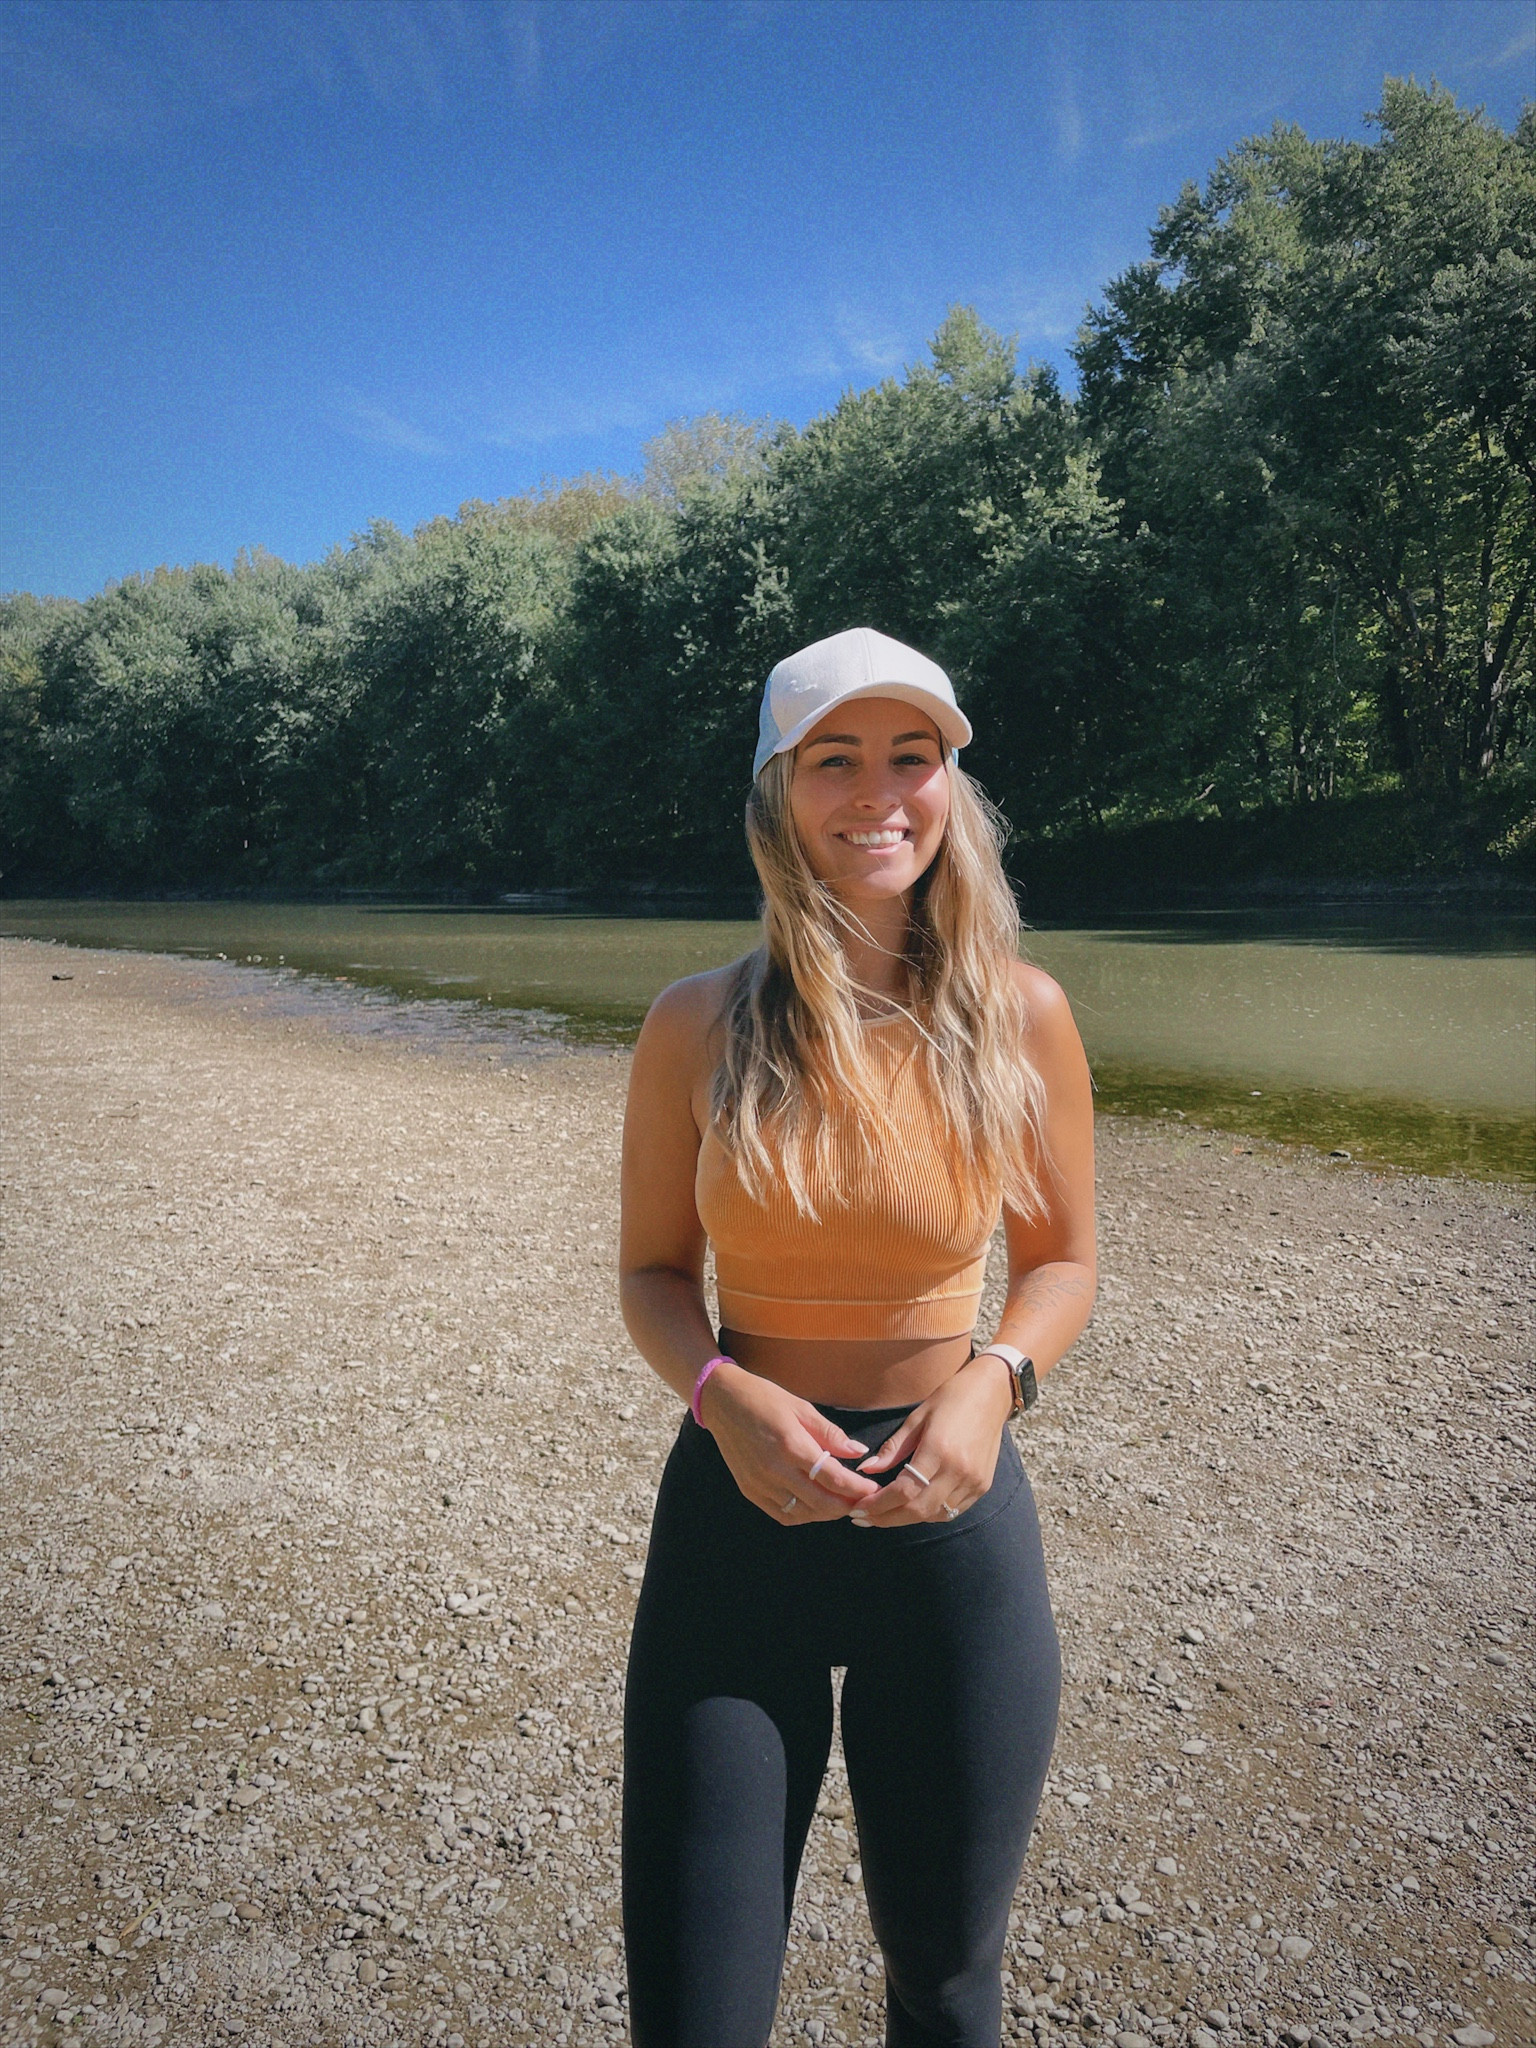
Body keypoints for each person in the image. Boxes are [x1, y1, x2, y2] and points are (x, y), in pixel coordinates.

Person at [618, 625, 1097, 2048]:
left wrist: (994, 1388)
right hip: (736, 1523)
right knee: (696, 2018)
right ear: (779, 795)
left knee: (946, 1983)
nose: (878, 793)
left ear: (954, 785)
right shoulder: (695, 1024)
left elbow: (1063, 1262)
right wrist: (721, 1397)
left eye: (914, 757)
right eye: (836, 760)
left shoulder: (1022, 1016)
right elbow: (651, 1273)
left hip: (950, 1534)